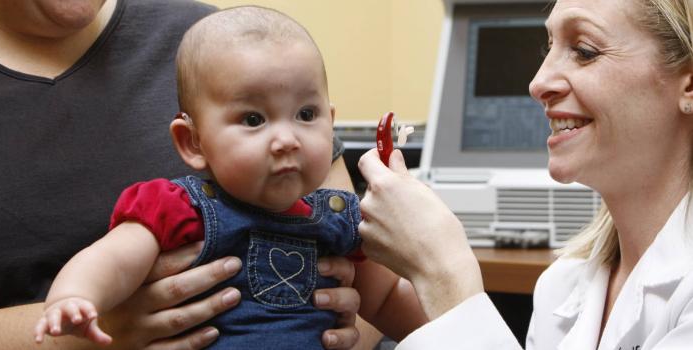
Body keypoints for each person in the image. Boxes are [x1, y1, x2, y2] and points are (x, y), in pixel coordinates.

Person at [33, 6, 426, 349]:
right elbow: (114, 261)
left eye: (306, 115)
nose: (287, 140)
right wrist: (73, 297)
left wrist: (457, 330)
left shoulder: (341, 223)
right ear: (194, 142)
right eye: (254, 120)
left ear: (331, 123)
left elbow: (388, 298)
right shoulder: (179, 209)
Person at [357, 0, 693, 348]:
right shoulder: (560, 287)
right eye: (549, 47)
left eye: (584, 51)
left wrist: (445, 274)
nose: (538, 83)